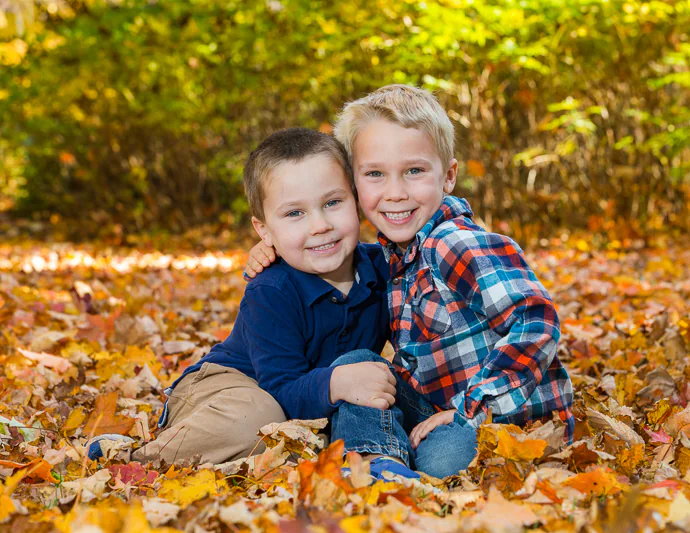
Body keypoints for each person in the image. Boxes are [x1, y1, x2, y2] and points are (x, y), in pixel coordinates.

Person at [246, 85, 574, 479]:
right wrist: (271, 248)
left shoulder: (456, 244)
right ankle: (377, 461)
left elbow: (536, 321)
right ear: (354, 185)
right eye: (375, 175)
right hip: (436, 408)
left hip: (502, 414)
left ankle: (390, 464)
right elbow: (317, 248)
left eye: (414, 171)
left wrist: (472, 407)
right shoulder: (395, 255)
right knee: (357, 368)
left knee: (438, 462)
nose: (396, 193)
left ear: (449, 176)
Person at [87, 128, 412, 478]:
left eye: (333, 203)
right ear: (264, 230)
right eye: (294, 214)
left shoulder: (384, 269)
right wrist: (335, 384)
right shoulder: (272, 290)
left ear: (357, 199)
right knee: (261, 417)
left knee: (335, 416)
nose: (320, 225)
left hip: (307, 398)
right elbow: (281, 387)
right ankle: (136, 456)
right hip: (231, 386)